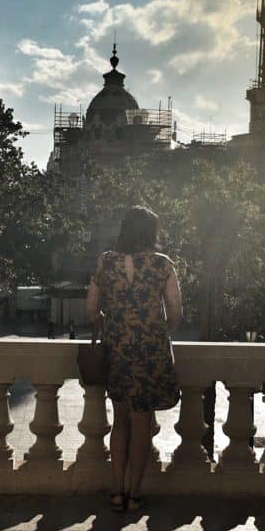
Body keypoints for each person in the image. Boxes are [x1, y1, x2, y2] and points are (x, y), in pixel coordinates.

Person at [85, 205, 182, 511]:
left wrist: (113, 324)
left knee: (120, 421)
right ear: (152, 232)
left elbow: (91, 309)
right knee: (142, 424)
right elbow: (175, 311)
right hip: (150, 353)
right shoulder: (163, 265)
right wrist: (154, 331)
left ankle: (116, 492)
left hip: (118, 351)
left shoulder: (106, 262)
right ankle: (134, 494)